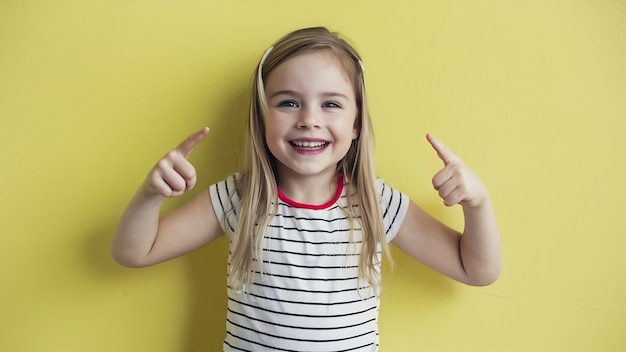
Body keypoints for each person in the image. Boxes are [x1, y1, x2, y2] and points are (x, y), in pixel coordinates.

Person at [112, 27, 501, 351]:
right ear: (262, 119)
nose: (309, 120)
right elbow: (134, 252)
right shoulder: (240, 199)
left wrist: (477, 203)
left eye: (331, 104)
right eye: (288, 103)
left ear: (356, 124)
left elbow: (477, 270)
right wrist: (151, 194)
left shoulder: (375, 204)